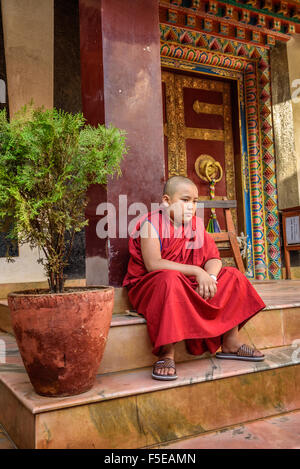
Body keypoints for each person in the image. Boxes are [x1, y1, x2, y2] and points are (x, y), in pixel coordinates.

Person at [122, 176, 266, 381]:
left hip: (187, 283)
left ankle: (230, 341)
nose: (191, 207)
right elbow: (153, 264)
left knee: (233, 275)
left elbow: (214, 259)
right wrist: (197, 272)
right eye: (185, 200)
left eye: (195, 201)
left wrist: (211, 276)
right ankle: (166, 352)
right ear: (166, 201)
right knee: (169, 279)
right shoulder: (151, 224)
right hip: (154, 285)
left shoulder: (197, 225)